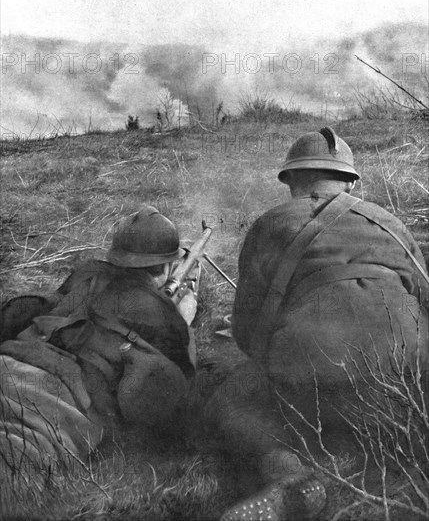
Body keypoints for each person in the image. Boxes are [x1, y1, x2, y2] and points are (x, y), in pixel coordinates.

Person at [206, 127, 429, 521]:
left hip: (312, 388)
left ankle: (287, 476)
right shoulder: (392, 223)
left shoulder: (270, 223)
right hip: (404, 383)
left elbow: (246, 332)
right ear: (351, 181)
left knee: (231, 399)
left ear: (291, 179)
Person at [0, 205, 198, 493]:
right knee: (20, 467)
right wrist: (185, 319)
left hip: (13, 358)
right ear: (166, 266)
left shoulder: (87, 272)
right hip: (58, 400)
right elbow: (181, 381)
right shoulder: (161, 312)